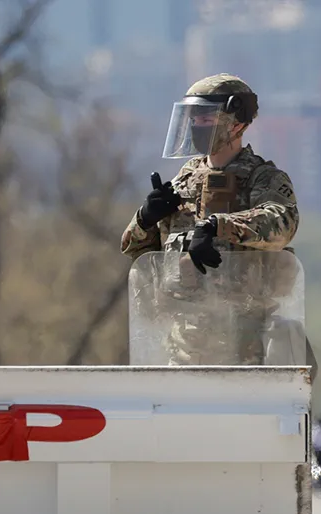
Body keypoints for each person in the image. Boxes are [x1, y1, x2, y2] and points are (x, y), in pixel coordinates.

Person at [121, 73, 311, 367]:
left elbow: (281, 222)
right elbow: (141, 259)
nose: (197, 126)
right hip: (183, 351)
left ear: (236, 123)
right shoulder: (183, 183)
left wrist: (217, 226)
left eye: (206, 119)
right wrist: (145, 220)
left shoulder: (263, 179)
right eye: (194, 119)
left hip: (247, 349)